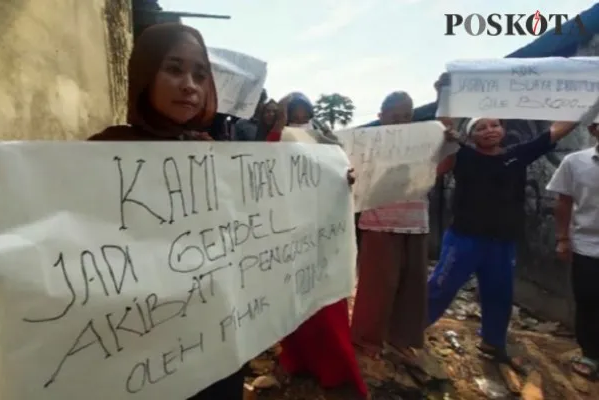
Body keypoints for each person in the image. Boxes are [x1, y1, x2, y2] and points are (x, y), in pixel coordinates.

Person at [88, 23, 246, 399]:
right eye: (173, 69)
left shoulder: (221, 156)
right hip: (140, 340)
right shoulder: (101, 153)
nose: (189, 84)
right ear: (144, 75)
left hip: (214, 334)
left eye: (200, 74)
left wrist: (330, 185)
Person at [427, 74, 593, 368]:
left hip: (502, 243)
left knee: (499, 295)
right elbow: (447, 125)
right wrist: (444, 92)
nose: (490, 130)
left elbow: (557, 131)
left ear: (503, 130)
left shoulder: (518, 155)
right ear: (472, 135)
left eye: (495, 125)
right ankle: (409, 331)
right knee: (440, 287)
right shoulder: (463, 156)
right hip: (464, 239)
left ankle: (493, 343)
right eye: (481, 127)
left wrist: (586, 101)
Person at [267, 94, 368, 398]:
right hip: (288, 230)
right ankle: (297, 358)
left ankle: (337, 369)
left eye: (304, 116)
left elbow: (345, 174)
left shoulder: (329, 143)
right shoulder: (273, 139)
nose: (300, 123)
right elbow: (263, 171)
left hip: (323, 232)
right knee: (294, 301)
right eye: (293, 117)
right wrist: (277, 129)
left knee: (326, 304)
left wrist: (348, 178)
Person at [350, 91, 430, 366]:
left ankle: (401, 337)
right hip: (379, 220)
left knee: (412, 282)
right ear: (380, 117)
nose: (401, 122)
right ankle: (366, 339)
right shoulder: (366, 145)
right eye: (395, 116)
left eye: (407, 116)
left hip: (415, 220)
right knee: (379, 283)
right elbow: (351, 174)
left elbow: (443, 166)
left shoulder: (423, 142)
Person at [546, 126, 599, 380]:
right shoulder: (575, 162)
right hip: (587, 245)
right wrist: (563, 238)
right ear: (593, 130)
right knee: (588, 301)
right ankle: (591, 354)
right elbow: (563, 202)